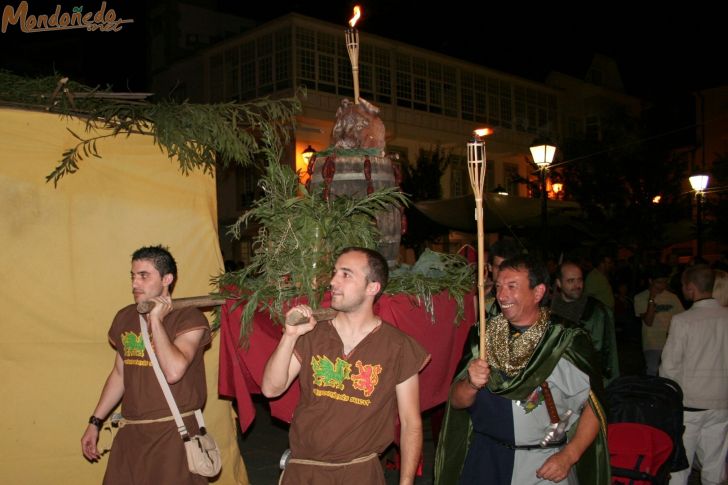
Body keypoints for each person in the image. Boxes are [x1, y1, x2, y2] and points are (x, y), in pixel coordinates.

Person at [435, 255, 610, 485]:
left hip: (541, 464)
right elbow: (457, 402)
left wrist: (569, 456)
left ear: (538, 292)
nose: (501, 295)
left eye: (512, 287)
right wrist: (470, 383)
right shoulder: (483, 336)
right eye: (498, 287)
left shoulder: (562, 340)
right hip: (485, 460)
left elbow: (594, 406)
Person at [261, 247, 430, 485]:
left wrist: (406, 483)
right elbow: (271, 389)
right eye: (334, 272)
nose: (333, 281)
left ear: (372, 287)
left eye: (346, 274)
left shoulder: (398, 347)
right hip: (304, 471)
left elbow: (411, 423)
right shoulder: (312, 334)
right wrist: (289, 336)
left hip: (358, 473)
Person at [80, 245, 212, 484]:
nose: (135, 284)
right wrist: (95, 421)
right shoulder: (124, 317)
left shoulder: (189, 318)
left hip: (173, 433)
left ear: (167, 279)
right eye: (133, 275)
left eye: (144, 275)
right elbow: (120, 374)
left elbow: (174, 371)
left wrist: (156, 321)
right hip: (131, 433)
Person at [659, 265, 728, 485]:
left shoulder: (683, 321)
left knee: (680, 467)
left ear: (690, 288)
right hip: (721, 402)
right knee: (714, 465)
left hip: (689, 404)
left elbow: (669, 367)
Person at [551, 261, 620, 385]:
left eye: (580, 280)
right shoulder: (549, 310)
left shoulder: (596, 311)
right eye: (571, 281)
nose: (577, 285)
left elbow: (606, 353)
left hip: (586, 379)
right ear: (559, 283)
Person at [634, 264, 684, 376]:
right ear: (651, 281)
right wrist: (651, 298)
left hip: (671, 340)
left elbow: (681, 318)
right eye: (659, 282)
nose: (662, 286)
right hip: (652, 341)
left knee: (671, 371)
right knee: (652, 369)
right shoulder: (640, 297)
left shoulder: (672, 297)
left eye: (665, 282)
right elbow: (648, 321)